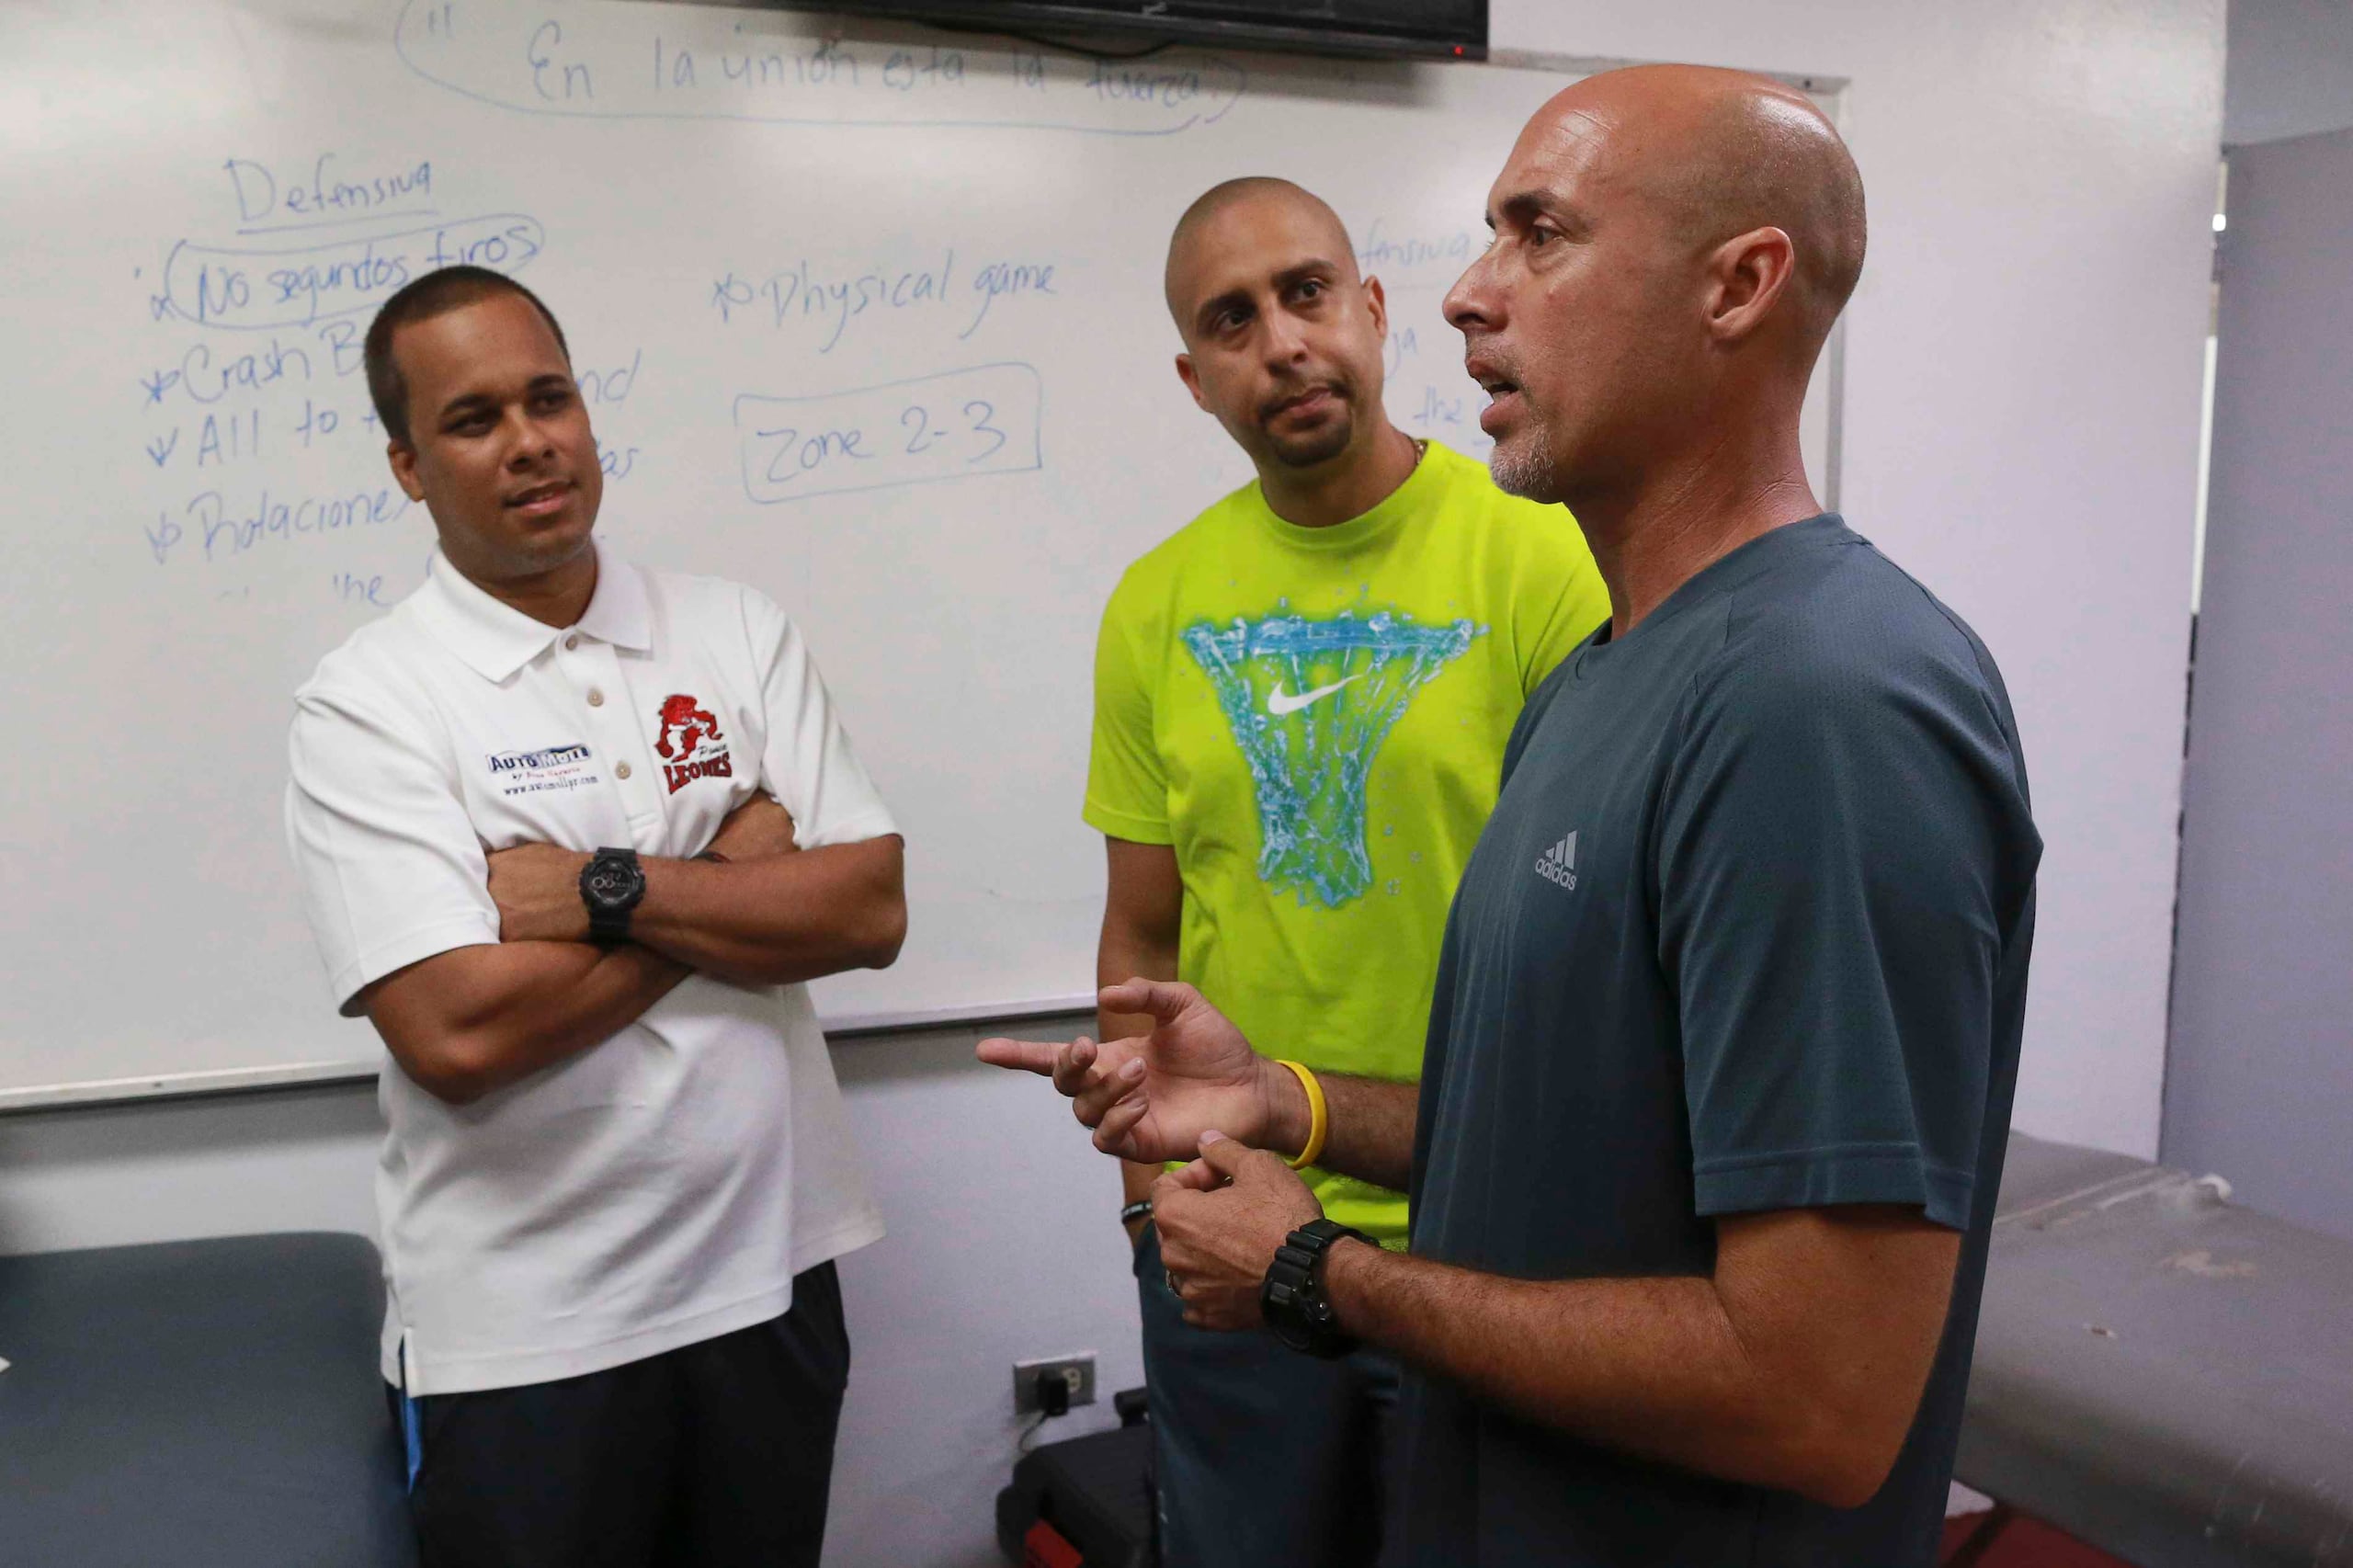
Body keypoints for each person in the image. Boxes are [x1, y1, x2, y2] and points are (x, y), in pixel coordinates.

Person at [984, 64, 2042, 1567]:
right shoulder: (1609, 673)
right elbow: (1558, 1143)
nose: (1471, 295)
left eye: (1538, 235)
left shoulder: (1828, 703)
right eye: (1487, 235)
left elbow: (1818, 1394)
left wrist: (1319, 1274)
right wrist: (1291, 1102)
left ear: (1738, 286)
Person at [285, 266, 906, 1567]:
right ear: (407, 466)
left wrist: (597, 892)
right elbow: (456, 1035)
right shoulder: (369, 704)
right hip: (526, 1337)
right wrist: (728, 886)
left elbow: (865, 906)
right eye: (472, 419)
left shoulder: (735, 630)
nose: (528, 441)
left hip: (770, 1285)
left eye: (548, 397)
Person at [1083, 176, 1607, 1566]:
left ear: (1373, 312)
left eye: (1308, 293)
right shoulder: (1156, 604)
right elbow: (1142, 929)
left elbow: (1609, 917)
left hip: (1490, 1243)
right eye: (1233, 320)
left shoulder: (1546, 555)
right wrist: (1156, 1208)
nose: (1284, 342)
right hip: (1239, 1233)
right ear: (1196, 380)